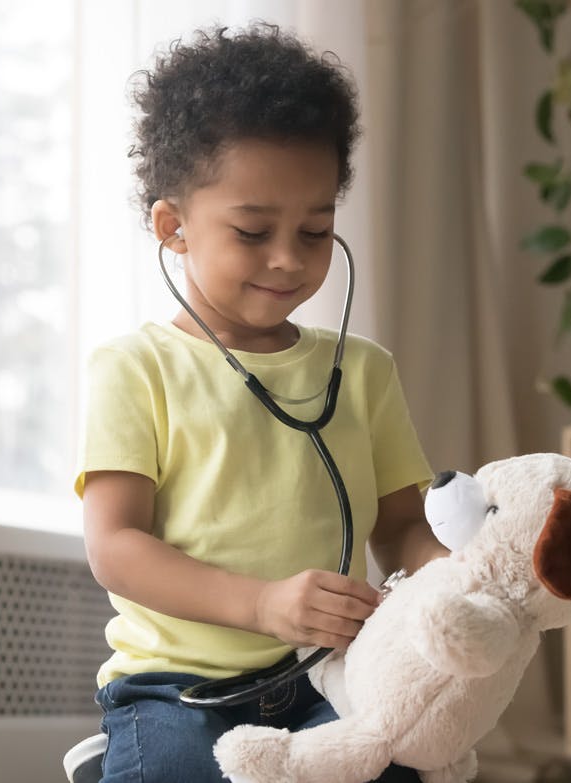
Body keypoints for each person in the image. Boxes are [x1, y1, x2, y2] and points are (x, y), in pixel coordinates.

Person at [76, 22, 450, 783]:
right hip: (177, 688)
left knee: (400, 765)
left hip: (329, 677)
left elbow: (405, 523)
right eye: (253, 231)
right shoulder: (135, 368)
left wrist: (449, 583)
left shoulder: (364, 371)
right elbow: (115, 544)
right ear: (172, 226)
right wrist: (261, 604)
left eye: (315, 229)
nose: (289, 257)